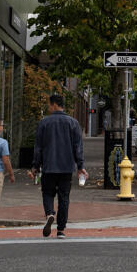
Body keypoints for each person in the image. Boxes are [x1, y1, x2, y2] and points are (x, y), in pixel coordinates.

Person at [31, 94, 86, 238]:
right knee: (64, 197)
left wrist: (35, 166)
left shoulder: (44, 123)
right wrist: (80, 165)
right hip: (67, 166)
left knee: (47, 193)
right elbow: (78, 147)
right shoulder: (73, 123)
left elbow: (38, 148)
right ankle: (61, 229)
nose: (48, 108)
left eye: (49, 105)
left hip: (49, 166)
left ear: (54, 105)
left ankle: (50, 213)